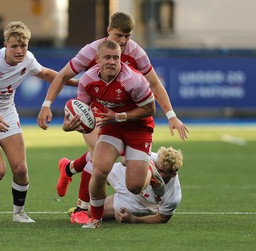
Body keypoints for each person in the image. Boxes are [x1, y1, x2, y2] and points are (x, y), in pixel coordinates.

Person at [38, 12, 187, 222]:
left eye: (128, 36)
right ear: (108, 32)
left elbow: (153, 84)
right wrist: (47, 105)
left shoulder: (136, 54)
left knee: (128, 173)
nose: (124, 41)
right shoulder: (91, 51)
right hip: (102, 113)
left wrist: (171, 115)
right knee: (98, 160)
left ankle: (70, 168)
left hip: (131, 117)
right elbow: (63, 76)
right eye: (119, 35)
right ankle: (83, 210)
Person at [0, 21, 76, 223]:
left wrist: (77, 83)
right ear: (5, 45)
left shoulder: (27, 59)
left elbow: (46, 74)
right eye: (14, 46)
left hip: (7, 114)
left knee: (21, 169)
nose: (20, 51)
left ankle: (18, 213)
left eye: (24, 46)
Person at [65, 39, 161, 228]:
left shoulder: (133, 79)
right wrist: (69, 126)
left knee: (134, 187)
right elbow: (84, 114)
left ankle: (150, 168)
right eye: (107, 57)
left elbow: (150, 109)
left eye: (116, 58)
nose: (112, 61)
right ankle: (95, 219)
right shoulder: (87, 80)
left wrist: (119, 117)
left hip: (138, 128)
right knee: (99, 170)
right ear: (97, 59)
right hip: (111, 125)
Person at [68, 146, 183, 224]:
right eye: (157, 168)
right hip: (128, 176)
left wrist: (134, 219)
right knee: (98, 167)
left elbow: (162, 218)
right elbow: (123, 160)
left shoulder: (173, 196)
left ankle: (86, 210)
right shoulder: (151, 158)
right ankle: (68, 170)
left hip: (138, 202)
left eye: (162, 171)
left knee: (91, 214)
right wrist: (132, 162)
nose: (159, 172)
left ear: (173, 174)